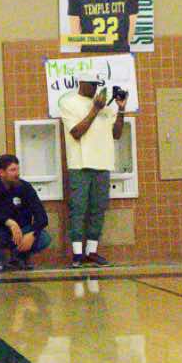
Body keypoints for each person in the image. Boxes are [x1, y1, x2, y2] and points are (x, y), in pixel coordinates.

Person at [58, 75, 126, 267]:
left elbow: (117, 134)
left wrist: (121, 110)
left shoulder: (106, 106)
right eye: (92, 85)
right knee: (78, 209)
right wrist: (95, 109)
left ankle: (92, 251)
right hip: (80, 164)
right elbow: (76, 132)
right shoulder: (69, 102)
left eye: (97, 85)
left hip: (103, 163)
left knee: (98, 208)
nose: (95, 88)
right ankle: (77, 254)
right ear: (82, 83)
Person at [0, 155, 53, 272]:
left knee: (44, 238)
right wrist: (8, 222)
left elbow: (42, 217)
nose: (17, 173)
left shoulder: (25, 187)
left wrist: (33, 234)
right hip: (2, 230)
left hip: (23, 231)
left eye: (18, 169)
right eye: (12, 170)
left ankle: (20, 257)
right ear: (1, 172)